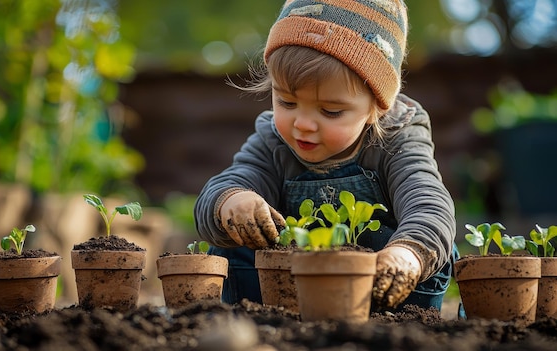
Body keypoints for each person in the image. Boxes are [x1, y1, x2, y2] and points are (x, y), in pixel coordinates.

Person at [194, 0, 457, 311]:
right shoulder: (272, 140)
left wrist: (407, 253)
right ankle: (252, 316)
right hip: (286, 295)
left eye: (331, 111)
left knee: (429, 246)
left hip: (378, 296)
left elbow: (428, 202)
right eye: (287, 103)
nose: (302, 125)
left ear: (376, 107)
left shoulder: (398, 136)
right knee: (232, 236)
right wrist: (232, 201)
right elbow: (222, 191)